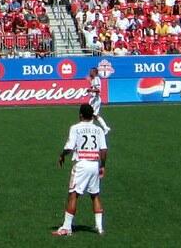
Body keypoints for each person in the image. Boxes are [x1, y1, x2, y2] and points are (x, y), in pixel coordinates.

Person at [53, 103, 108, 236]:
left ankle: (66, 228)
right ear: (92, 116)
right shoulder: (99, 130)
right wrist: (102, 166)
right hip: (94, 163)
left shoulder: (76, 128)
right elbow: (104, 150)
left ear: (80, 115)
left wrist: (62, 155)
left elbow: (70, 147)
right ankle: (99, 228)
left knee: (73, 195)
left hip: (82, 164)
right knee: (95, 195)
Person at [86, 68, 110, 134]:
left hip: (95, 99)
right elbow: (93, 87)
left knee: (90, 113)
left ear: (95, 72)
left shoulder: (96, 79)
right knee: (95, 115)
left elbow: (98, 90)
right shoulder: (93, 79)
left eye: (91, 71)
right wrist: (90, 88)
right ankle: (105, 128)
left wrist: (90, 90)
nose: (90, 73)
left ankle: (90, 128)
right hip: (94, 99)